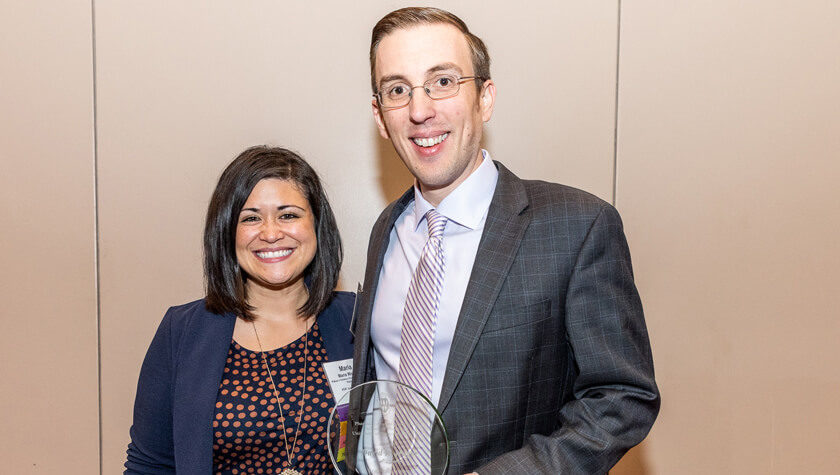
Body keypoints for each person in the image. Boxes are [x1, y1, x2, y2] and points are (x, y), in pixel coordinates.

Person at [349, 7, 660, 474]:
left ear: (485, 97)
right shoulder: (386, 232)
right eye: (397, 90)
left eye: (442, 82)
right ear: (379, 115)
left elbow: (622, 398)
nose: (419, 110)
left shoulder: (577, 226)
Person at [126, 146, 354, 474]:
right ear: (227, 233)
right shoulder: (183, 332)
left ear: (317, 225)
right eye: (250, 218)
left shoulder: (357, 322)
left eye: (288, 214)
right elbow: (150, 465)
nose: (271, 233)